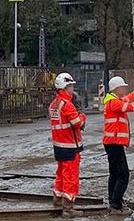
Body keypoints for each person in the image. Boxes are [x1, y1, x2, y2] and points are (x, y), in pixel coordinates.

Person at [102, 77, 134, 215]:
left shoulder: (113, 100)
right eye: (123, 87)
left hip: (112, 143)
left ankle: (114, 200)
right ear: (117, 88)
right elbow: (131, 106)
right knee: (123, 174)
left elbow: (127, 100)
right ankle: (116, 204)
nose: (125, 88)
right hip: (114, 143)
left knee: (115, 173)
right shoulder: (113, 102)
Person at [49, 72, 85, 217]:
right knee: (71, 177)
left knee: (61, 175)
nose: (72, 89)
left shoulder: (54, 104)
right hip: (70, 146)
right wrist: (82, 116)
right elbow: (78, 124)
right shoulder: (67, 105)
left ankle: (57, 200)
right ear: (64, 87)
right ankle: (68, 208)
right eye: (70, 86)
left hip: (59, 145)